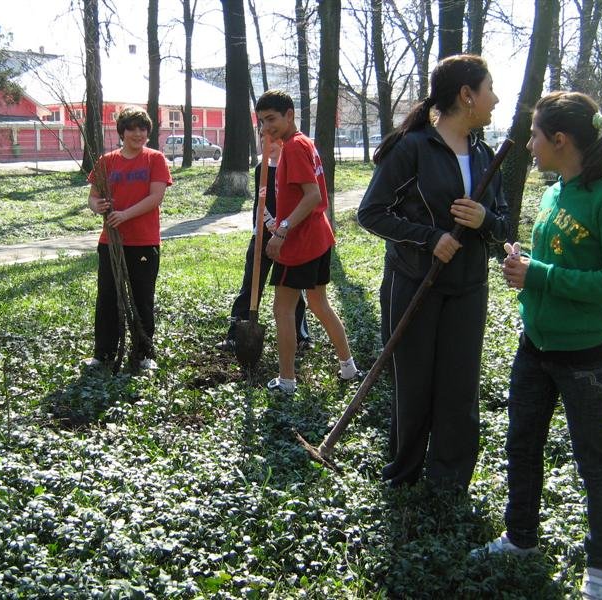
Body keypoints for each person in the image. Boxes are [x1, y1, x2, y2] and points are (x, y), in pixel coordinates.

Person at [473, 92, 602, 600]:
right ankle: (521, 539)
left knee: (593, 460)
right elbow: (556, 260)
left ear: (559, 141)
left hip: (586, 360)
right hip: (534, 346)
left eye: (534, 135)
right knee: (521, 445)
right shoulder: (555, 192)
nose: (528, 143)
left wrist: (541, 274)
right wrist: (526, 260)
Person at [357, 54, 508, 491]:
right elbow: (372, 212)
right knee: (413, 383)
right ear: (467, 95)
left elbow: (501, 223)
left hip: (469, 288)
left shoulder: (484, 155)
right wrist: (428, 237)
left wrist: (485, 221)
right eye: (489, 88)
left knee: (460, 387)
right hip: (414, 285)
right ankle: (403, 474)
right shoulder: (413, 149)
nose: (495, 99)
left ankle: (449, 478)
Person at [255, 89, 357, 395]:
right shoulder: (303, 143)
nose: (266, 128)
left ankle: (286, 381)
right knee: (318, 303)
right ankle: (349, 367)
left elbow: (312, 196)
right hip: (318, 237)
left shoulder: (295, 147)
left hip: (300, 243)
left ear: (290, 115)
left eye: (271, 119)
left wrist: (282, 230)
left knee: (282, 310)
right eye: (261, 121)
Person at [84, 106, 172, 370]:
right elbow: (92, 196)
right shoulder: (106, 161)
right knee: (108, 297)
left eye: (143, 128)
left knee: (142, 296)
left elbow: (156, 197)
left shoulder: (154, 159)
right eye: (132, 128)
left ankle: (143, 353)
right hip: (110, 242)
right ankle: (104, 353)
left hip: (144, 241)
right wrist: (96, 206)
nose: (138, 134)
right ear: (121, 132)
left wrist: (125, 215)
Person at [215, 137, 314, 355]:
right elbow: (261, 201)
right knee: (250, 285)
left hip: (287, 236)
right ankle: (235, 335)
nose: (267, 143)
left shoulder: (291, 167)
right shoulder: (261, 168)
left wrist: (282, 228)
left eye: (273, 139)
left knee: (292, 288)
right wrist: (268, 223)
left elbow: (299, 201)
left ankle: (301, 336)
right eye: (262, 138)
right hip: (261, 235)